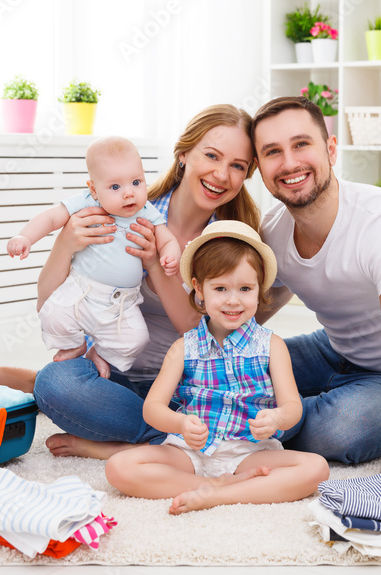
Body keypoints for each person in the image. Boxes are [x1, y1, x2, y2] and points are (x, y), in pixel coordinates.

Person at [251, 96, 381, 488]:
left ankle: (251, 423)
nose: (290, 163)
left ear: (330, 150)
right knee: (233, 371)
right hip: (335, 350)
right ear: (259, 167)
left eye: (301, 144)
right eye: (272, 152)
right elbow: (266, 296)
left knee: (337, 430)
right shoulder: (274, 231)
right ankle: (258, 415)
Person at [32, 104, 262, 460]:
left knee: (278, 415)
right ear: (184, 153)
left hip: (187, 387)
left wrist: (155, 262)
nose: (221, 174)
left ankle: (123, 446)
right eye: (212, 155)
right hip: (116, 373)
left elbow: (197, 327)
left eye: (237, 166)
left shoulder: (231, 239)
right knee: (55, 383)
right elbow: (48, 302)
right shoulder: (125, 206)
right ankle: (177, 441)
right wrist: (64, 244)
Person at [105, 220, 329, 514]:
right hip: (189, 451)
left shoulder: (272, 346)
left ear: (259, 288)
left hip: (248, 452)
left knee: (316, 468)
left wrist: (275, 419)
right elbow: (153, 409)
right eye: (220, 288)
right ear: (199, 289)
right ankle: (214, 488)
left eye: (245, 288)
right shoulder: (184, 347)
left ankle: (220, 495)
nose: (233, 300)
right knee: (119, 467)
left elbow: (292, 409)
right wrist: (181, 424)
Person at [7, 136, 181, 375]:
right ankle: (73, 345)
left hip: (123, 302)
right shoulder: (86, 203)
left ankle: (100, 353)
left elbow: (167, 238)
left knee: (137, 339)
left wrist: (171, 255)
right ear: (94, 190)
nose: (129, 194)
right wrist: (25, 237)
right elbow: (51, 218)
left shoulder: (146, 210)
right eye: (116, 187)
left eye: (136, 182)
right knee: (53, 314)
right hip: (82, 289)